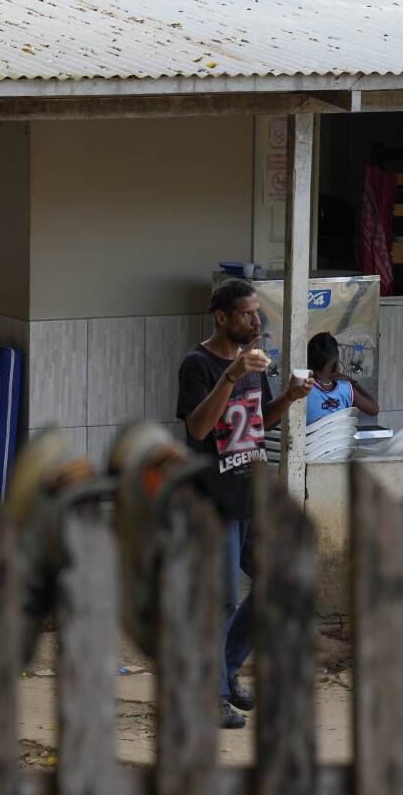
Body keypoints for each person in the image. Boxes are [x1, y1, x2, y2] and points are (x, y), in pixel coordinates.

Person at [176, 278, 312, 730]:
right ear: (222, 317)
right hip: (212, 499)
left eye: (257, 313)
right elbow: (198, 429)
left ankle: (227, 670)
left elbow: (259, 419)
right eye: (247, 314)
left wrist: (289, 398)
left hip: (250, 493)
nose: (257, 321)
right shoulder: (197, 364)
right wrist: (232, 375)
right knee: (222, 601)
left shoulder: (253, 362)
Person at [306, 331, 379, 424]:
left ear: (307, 362)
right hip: (340, 439)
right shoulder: (345, 388)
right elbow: (374, 409)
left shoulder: (302, 389)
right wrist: (353, 382)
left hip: (310, 439)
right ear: (336, 363)